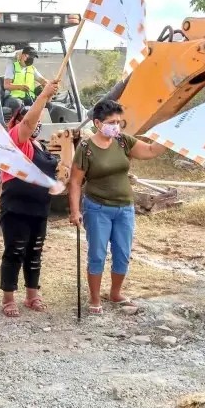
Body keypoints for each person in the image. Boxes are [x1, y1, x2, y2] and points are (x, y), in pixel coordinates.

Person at [68, 99, 168, 314]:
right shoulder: (85, 148)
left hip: (125, 208)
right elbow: (75, 181)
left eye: (119, 122)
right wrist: (75, 210)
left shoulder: (123, 141)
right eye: (111, 122)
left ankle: (115, 293)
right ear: (97, 123)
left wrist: (171, 137)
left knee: (122, 252)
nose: (116, 126)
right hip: (97, 208)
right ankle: (95, 298)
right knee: (97, 253)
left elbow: (150, 151)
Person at [0, 81, 60, 318]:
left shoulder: (40, 146)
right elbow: (27, 122)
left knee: (35, 251)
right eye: (31, 119)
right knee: (15, 251)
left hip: (39, 208)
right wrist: (43, 95)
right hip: (17, 207)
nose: (36, 124)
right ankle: (8, 298)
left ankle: (32, 294)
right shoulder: (15, 139)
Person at [3, 46, 49, 112]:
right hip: (13, 98)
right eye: (30, 57)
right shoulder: (12, 66)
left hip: (29, 98)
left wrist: (51, 84)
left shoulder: (32, 69)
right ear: (23, 55)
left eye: (33, 57)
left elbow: (43, 81)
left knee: (42, 104)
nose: (32, 59)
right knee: (18, 104)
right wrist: (20, 87)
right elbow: (6, 85)